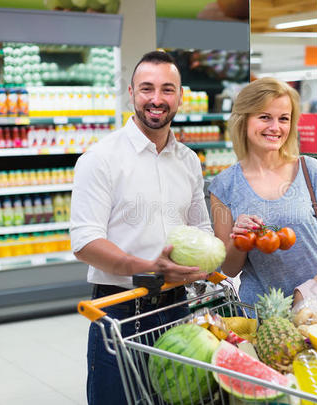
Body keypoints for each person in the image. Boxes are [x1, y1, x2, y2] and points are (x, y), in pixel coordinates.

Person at [70, 51, 211, 405]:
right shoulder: (100, 159)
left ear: (181, 96)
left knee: (174, 398)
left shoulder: (189, 161)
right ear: (131, 92)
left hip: (177, 308)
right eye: (147, 88)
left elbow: (201, 228)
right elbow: (85, 241)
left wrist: (204, 263)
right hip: (119, 308)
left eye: (167, 89)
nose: (157, 99)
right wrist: (150, 268)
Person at [209, 77, 317, 306]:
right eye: (265, 117)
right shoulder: (224, 185)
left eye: (284, 119)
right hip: (263, 314)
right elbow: (229, 268)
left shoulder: (310, 170)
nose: (275, 127)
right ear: (244, 120)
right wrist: (239, 239)